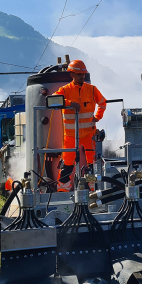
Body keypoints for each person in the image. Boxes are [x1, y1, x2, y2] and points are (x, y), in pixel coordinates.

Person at [52, 60, 107, 191]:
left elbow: (103, 103)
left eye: (83, 74)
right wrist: (69, 103)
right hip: (70, 136)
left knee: (92, 165)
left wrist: (97, 117)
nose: (82, 77)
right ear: (72, 74)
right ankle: (63, 192)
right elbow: (52, 99)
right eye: (79, 74)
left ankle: (94, 191)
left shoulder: (92, 89)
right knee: (67, 166)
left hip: (89, 134)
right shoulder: (65, 90)